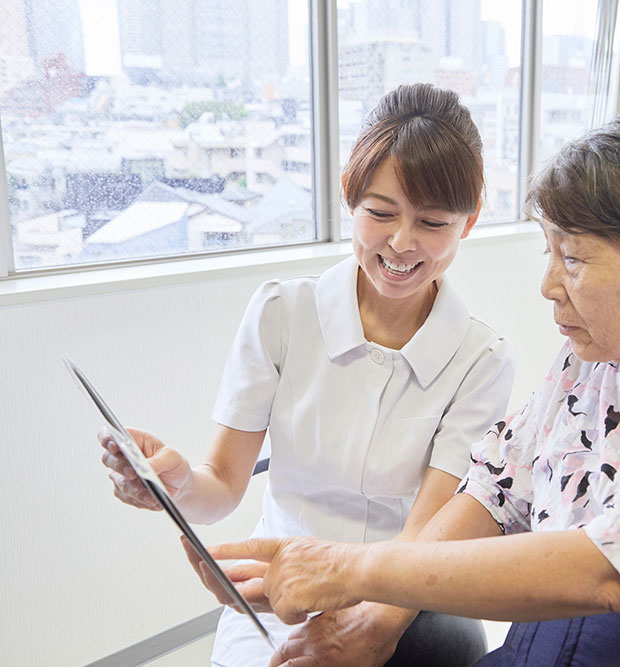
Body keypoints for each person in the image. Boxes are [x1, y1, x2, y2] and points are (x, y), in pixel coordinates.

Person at [204, 115, 620, 666]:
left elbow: (610, 572)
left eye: (573, 258)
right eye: (548, 253)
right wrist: (376, 618)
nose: (550, 285)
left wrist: (355, 571)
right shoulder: (594, 358)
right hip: (559, 641)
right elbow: (497, 488)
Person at [99, 83, 515, 667]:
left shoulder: (481, 358)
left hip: (403, 595)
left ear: (467, 224)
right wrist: (171, 486)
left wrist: (375, 622)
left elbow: (424, 538)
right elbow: (220, 486)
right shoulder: (282, 314)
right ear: (350, 197)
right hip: (280, 586)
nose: (401, 242)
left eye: (432, 222)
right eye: (380, 212)